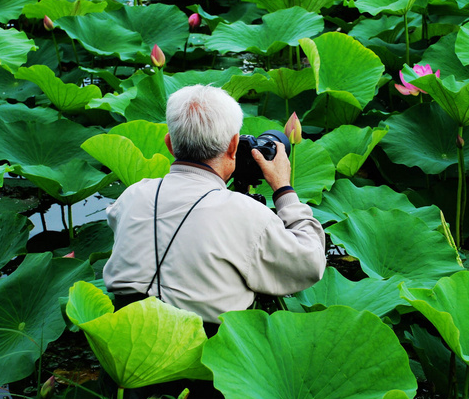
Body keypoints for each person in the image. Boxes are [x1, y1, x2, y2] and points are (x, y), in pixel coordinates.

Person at [102, 84, 327, 336]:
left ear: (169, 144)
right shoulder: (246, 214)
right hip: (202, 358)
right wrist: (284, 190)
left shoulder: (131, 196)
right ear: (233, 145)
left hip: (125, 346)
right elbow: (311, 263)